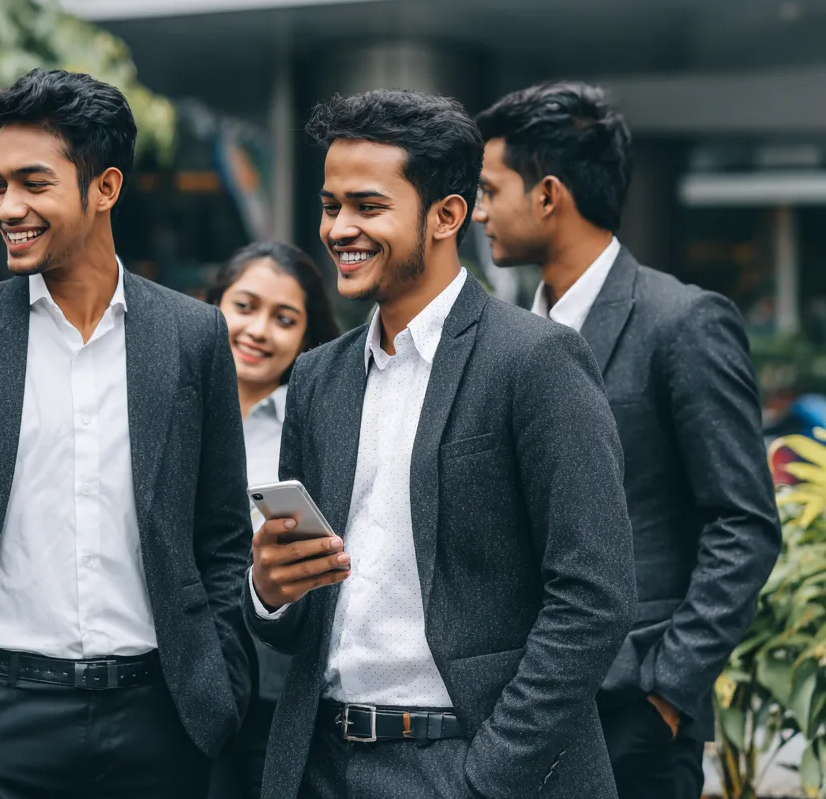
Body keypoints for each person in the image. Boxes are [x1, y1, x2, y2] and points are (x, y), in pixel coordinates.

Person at [0, 69, 253, 798]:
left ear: (104, 188)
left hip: (159, 721)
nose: (7, 207)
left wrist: (220, 686)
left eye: (32, 183)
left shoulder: (193, 335)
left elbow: (223, 539)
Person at [246, 89, 637, 799]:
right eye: (331, 206)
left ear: (447, 215)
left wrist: (490, 773)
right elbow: (305, 609)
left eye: (368, 206)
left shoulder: (535, 359)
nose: (339, 228)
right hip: (319, 762)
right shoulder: (318, 376)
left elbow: (593, 596)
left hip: (465, 764)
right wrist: (270, 592)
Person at [474, 82, 781, 799]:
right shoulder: (508, 340)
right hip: (515, 709)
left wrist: (667, 691)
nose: (478, 212)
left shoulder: (683, 322)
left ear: (548, 194)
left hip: (632, 713)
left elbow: (744, 523)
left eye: (489, 190)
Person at [203, 242, 338, 799]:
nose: (259, 331)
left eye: (284, 319)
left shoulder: (317, 426)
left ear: (306, 337)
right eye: (244, 306)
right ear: (212, 307)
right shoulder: (170, 409)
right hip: (183, 676)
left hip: (280, 687)